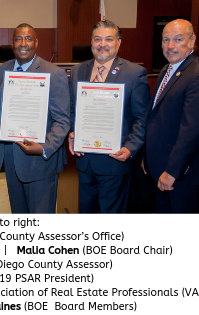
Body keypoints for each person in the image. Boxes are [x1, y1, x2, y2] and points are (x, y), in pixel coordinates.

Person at [68, 20, 149, 213]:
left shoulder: (134, 73)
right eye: (97, 39)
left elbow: (142, 117)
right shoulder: (78, 70)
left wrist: (130, 148)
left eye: (108, 39)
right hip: (85, 160)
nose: (102, 44)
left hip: (115, 161)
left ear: (119, 42)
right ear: (91, 42)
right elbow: (72, 108)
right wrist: (72, 132)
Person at [0, 23, 70, 213]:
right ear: (12, 44)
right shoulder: (2, 71)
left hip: (40, 161)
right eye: (18, 39)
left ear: (36, 43)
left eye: (28, 38)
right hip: (11, 158)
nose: (23, 43)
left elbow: (62, 120)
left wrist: (44, 148)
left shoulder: (54, 73)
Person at [143, 19, 199, 213]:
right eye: (165, 40)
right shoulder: (168, 71)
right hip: (161, 170)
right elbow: (155, 119)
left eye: (177, 39)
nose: (170, 46)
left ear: (192, 41)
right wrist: (147, 157)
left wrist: (172, 172)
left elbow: (191, 132)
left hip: (180, 176)